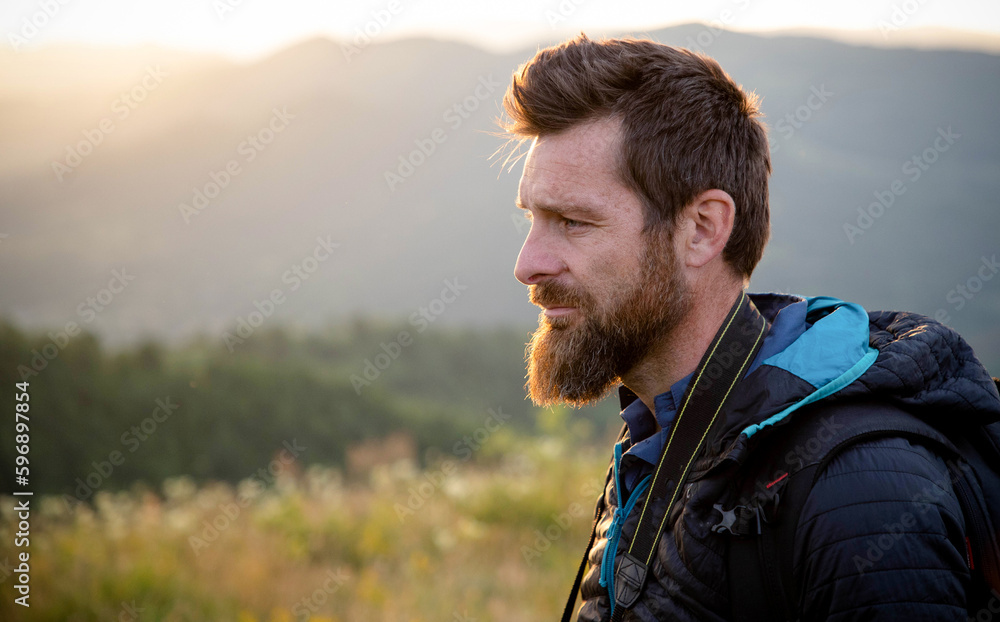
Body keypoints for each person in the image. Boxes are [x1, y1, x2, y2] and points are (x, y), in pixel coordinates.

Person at [500, 34, 1000, 621]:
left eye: (573, 222)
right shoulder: (661, 435)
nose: (527, 263)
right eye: (532, 218)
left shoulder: (859, 493)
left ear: (704, 230)